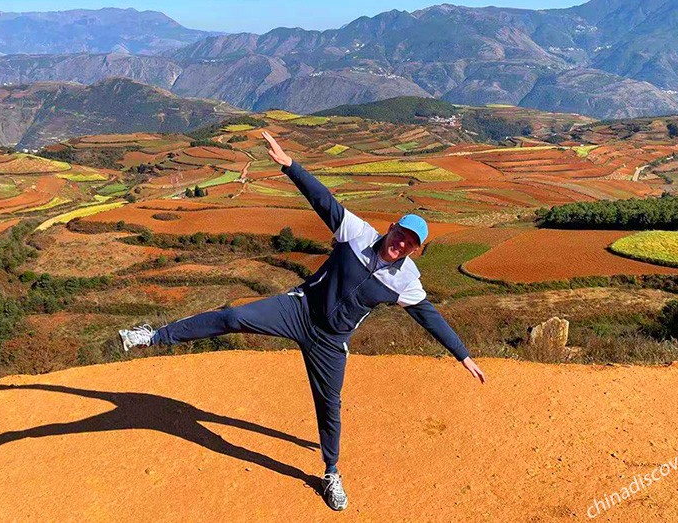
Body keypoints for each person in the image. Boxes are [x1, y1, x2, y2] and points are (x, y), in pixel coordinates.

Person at [118, 131, 487, 511]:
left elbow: (430, 317)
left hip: (331, 342)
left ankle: (331, 472)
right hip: (298, 310)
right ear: (392, 226)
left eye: (412, 243)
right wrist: (290, 166)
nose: (403, 244)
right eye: (402, 234)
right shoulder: (357, 233)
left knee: (329, 405)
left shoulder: (406, 280)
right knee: (232, 316)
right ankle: (154, 336)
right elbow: (323, 200)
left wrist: (463, 355)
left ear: (416, 250)